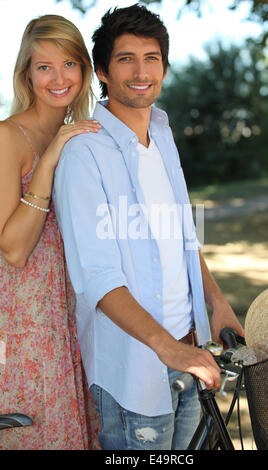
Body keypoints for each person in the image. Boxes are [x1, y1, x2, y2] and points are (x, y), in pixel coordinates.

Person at [53, 4, 244, 450]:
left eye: (151, 58)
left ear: (165, 66)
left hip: (189, 354)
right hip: (133, 374)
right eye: (126, 59)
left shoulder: (161, 130)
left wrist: (217, 303)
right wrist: (167, 348)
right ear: (101, 71)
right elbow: (98, 281)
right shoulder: (84, 153)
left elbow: (182, 234)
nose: (141, 72)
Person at [0, 15, 101, 449]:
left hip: (75, 318)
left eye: (69, 64)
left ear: (84, 69)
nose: (59, 78)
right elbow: (14, 249)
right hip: (27, 327)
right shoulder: (8, 137)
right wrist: (49, 158)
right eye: (44, 67)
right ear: (27, 73)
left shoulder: (78, 137)